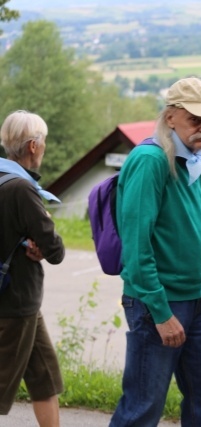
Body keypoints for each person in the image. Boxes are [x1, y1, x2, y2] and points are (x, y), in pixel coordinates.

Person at [109, 77, 201, 427]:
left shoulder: (195, 159)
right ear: (171, 116)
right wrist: (160, 312)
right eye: (197, 119)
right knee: (143, 406)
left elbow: (188, 234)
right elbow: (136, 245)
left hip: (195, 298)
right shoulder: (151, 159)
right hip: (156, 301)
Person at [0, 110, 65, 426]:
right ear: (33, 146)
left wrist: (26, 240)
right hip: (13, 305)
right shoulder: (22, 189)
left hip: (22, 303)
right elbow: (55, 251)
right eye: (44, 141)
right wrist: (43, 233)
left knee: (44, 378)